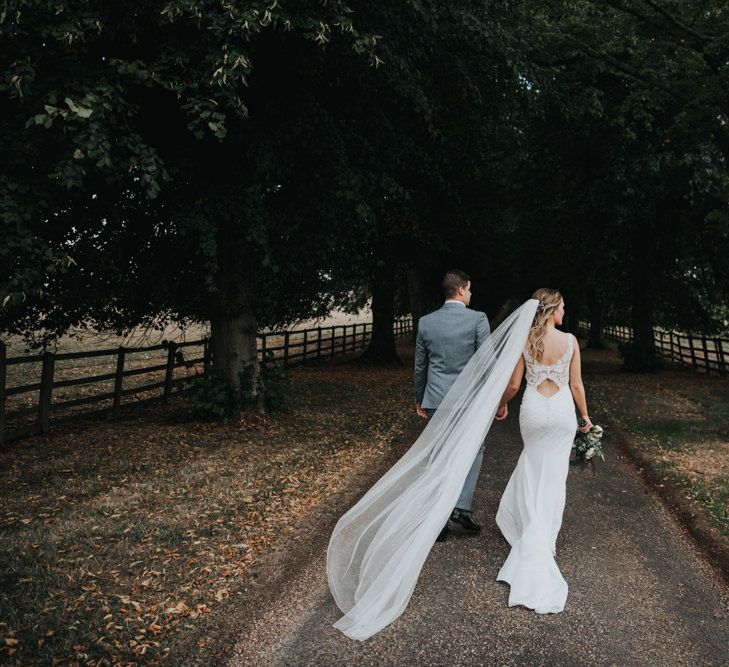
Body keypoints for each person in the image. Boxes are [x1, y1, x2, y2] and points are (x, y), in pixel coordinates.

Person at [494, 288, 592, 614]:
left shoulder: (526, 340)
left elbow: (513, 385)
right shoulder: (571, 342)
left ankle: (530, 530)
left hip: (534, 410)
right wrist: (585, 416)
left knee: (532, 466)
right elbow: (576, 385)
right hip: (561, 411)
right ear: (552, 310)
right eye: (563, 306)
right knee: (554, 477)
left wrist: (501, 405)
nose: (566, 311)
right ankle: (544, 540)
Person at [414, 269, 490, 541]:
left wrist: (419, 397)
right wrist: (490, 399)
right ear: (460, 290)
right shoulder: (478, 319)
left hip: (435, 399)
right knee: (473, 449)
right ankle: (460, 507)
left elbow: (421, 365)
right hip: (468, 401)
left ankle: (439, 520)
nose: (471, 294)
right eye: (469, 289)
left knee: (439, 455)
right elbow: (486, 364)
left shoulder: (426, 322)